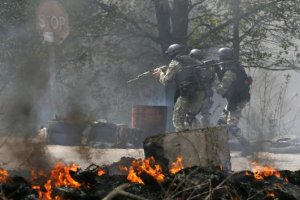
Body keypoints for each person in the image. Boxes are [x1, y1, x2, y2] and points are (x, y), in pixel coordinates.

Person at [153, 44, 205, 131]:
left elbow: (166, 81)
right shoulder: (192, 60)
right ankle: (196, 138)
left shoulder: (175, 62)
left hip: (186, 94)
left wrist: (160, 73)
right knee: (190, 118)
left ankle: (183, 141)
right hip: (199, 93)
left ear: (172, 53)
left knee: (177, 120)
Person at [214, 47, 252, 154]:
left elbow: (221, 90)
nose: (219, 60)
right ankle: (220, 146)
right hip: (234, 99)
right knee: (221, 122)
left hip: (237, 101)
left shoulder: (230, 71)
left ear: (223, 58)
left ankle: (247, 147)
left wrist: (215, 78)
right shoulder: (235, 66)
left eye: (220, 58)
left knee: (232, 127)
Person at [189, 49, 215, 127]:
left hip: (197, 95)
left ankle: (197, 133)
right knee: (205, 114)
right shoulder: (207, 67)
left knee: (191, 116)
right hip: (206, 94)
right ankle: (207, 133)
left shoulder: (194, 67)